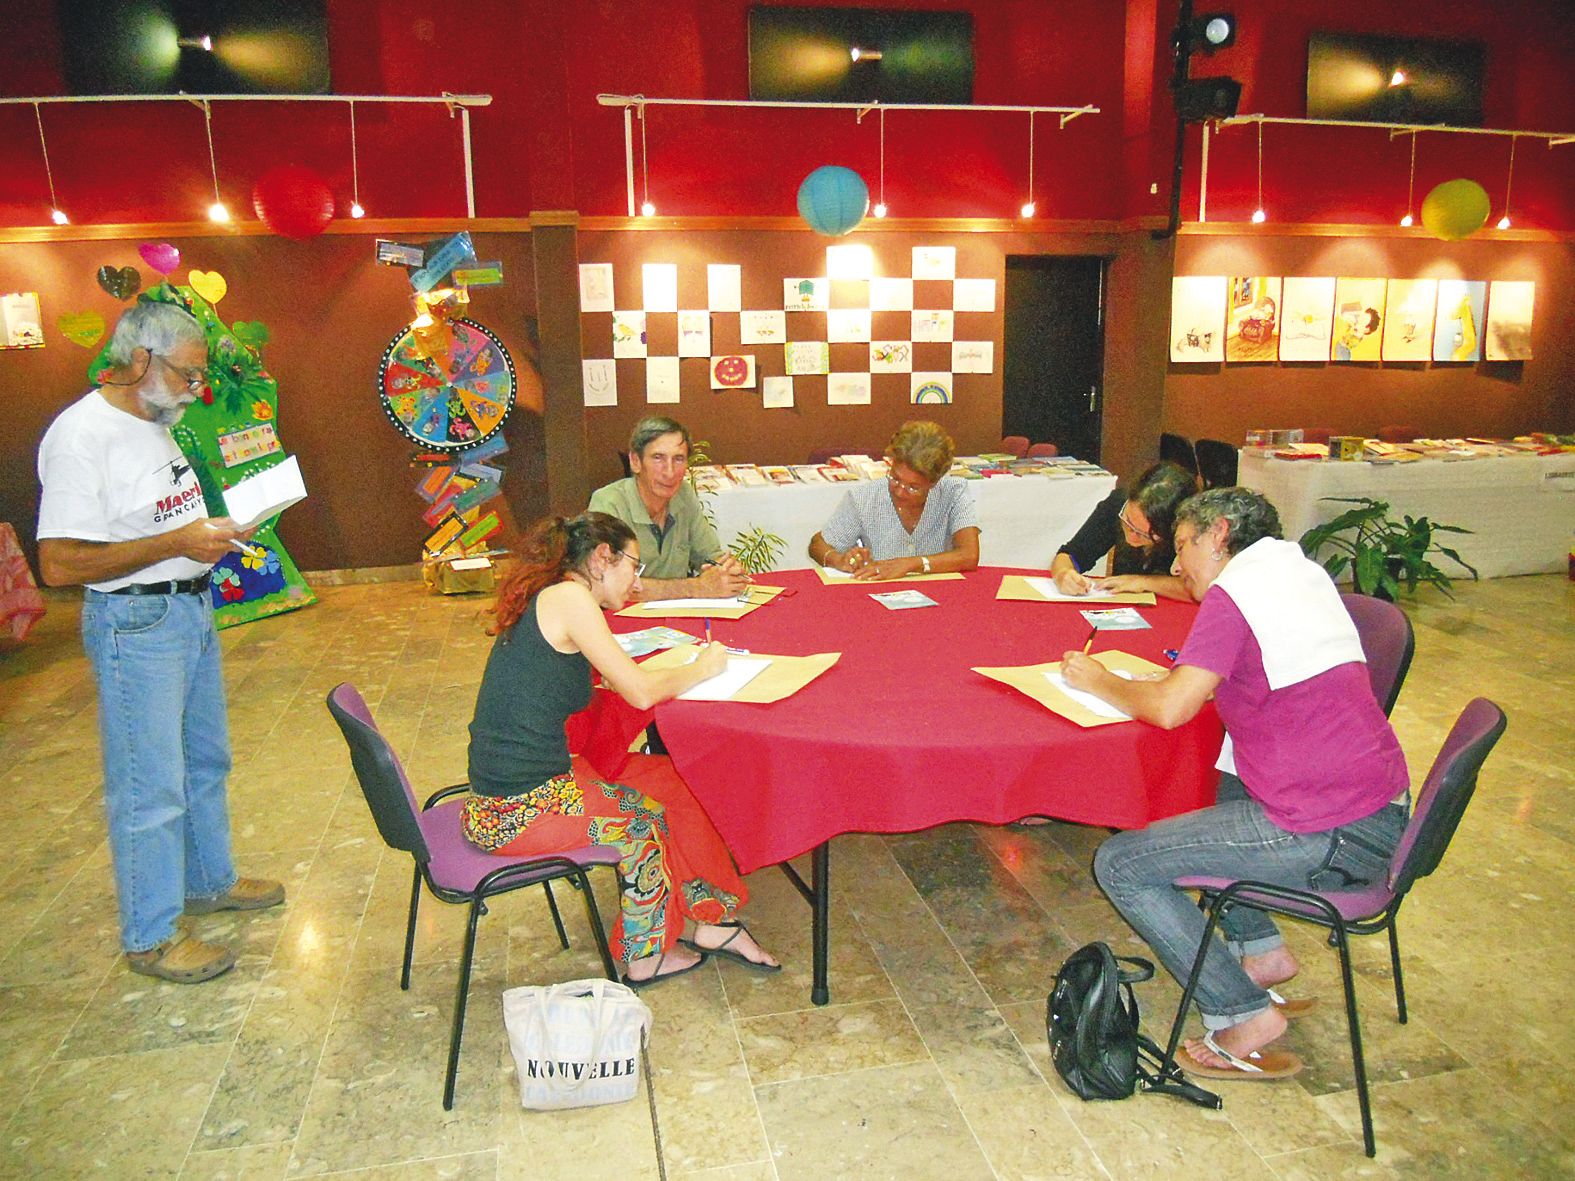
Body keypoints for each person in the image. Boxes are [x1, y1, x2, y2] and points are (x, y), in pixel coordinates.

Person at [1061, 487, 1409, 1081]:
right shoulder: (1295, 568)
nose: (1175, 565)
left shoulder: (1236, 594)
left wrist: (1099, 680)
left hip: (1330, 831)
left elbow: (1171, 709)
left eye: (1182, 546)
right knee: (1225, 767)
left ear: (1218, 534)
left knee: (1121, 862)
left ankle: (1240, 1013)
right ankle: (1261, 952)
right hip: (1378, 805)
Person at [35, 299, 285, 985]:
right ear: (139, 359)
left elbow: (159, 518)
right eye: (188, 374)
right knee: (150, 784)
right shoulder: (81, 436)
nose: (195, 389)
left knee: (205, 760)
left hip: (188, 610)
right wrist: (178, 542)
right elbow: (58, 563)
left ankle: (207, 880)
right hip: (135, 626)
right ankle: (149, 934)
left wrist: (210, 534)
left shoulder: (156, 421)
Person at [464, 512, 779, 987]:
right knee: (644, 819)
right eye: (633, 564)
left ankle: (712, 921)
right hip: (516, 808)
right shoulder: (570, 597)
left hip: (540, 782)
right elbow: (641, 693)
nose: (636, 578)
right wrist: (705, 666)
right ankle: (644, 957)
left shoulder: (555, 594)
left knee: (671, 781)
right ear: (601, 558)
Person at [588, 415, 751, 600]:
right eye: (658, 458)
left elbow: (712, 557)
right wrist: (696, 588)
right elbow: (608, 584)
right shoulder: (608, 503)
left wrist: (727, 573)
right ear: (635, 461)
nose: (670, 472)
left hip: (676, 619)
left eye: (679, 459)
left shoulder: (684, 495)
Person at [808, 420, 980, 580]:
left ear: (934, 482)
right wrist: (839, 560)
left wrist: (910, 564)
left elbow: (969, 555)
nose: (900, 491)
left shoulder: (953, 491)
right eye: (895, 478)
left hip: (942, 594)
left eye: (913, 487)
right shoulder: (864, 497)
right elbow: (818, 545)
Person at [1050, 461, 1196, 602]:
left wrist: (1144, 582)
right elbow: (1071, 554)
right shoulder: (1117, 504)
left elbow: (1201, 589)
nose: (1132, 536)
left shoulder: (1192, 529)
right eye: (1128, 522)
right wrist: (1064, 574)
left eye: (1145, 534)